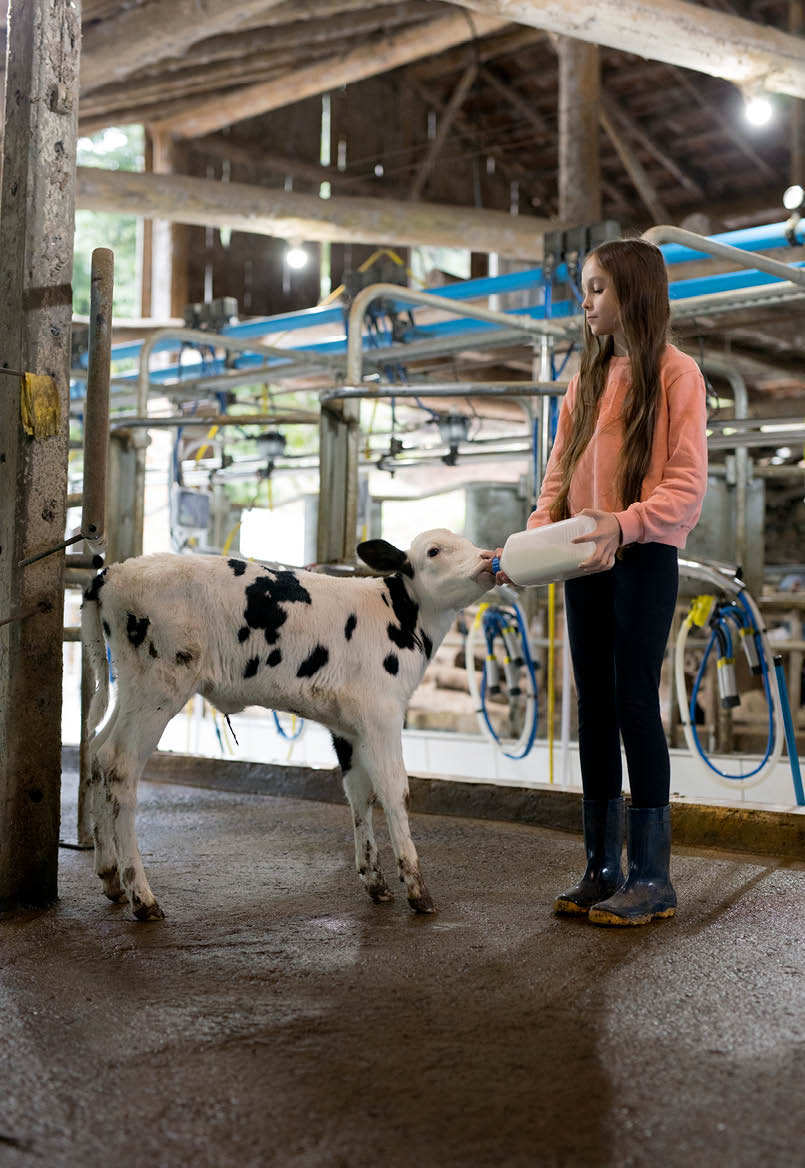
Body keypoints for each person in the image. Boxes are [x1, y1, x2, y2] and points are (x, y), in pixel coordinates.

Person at [497, 237, 708, 926]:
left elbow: (684, 487)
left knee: (633, 704)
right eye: (583, 288)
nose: (584, 301)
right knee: (592, 708)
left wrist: (624, 524)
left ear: (633, 294)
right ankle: (601, 866)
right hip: (578, 560)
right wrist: (531, 546)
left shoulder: (676, 375)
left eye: (596, 288)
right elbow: (555, 479)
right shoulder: (583, 380)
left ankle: (652, 875)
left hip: (639, 557)